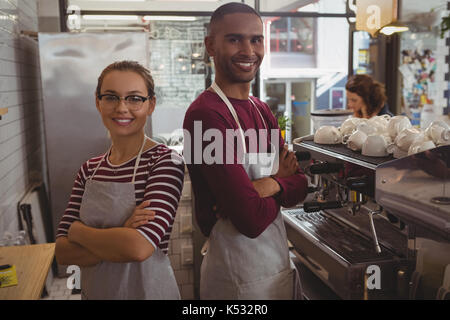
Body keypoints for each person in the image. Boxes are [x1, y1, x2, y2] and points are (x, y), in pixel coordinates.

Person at [183, 3, 308, 300]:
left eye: (256, 39)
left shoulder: (262, 110)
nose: (248, 50)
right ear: (211, 45)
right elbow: (249, 219)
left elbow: (301, 186)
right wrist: (279, 182)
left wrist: (266, 185)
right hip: (235, 280)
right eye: (234, 39)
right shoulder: (207, 116)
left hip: (275, 266)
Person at [55, 61, 185, 300]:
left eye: (134, 98)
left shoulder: (165, 161)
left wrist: (79, 231)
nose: (122, 108)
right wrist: (122, 232)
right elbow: (63, 253)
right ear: (98, 102)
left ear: (151, 105)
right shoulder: (89, 169)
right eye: (111, 97)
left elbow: (138, 248)